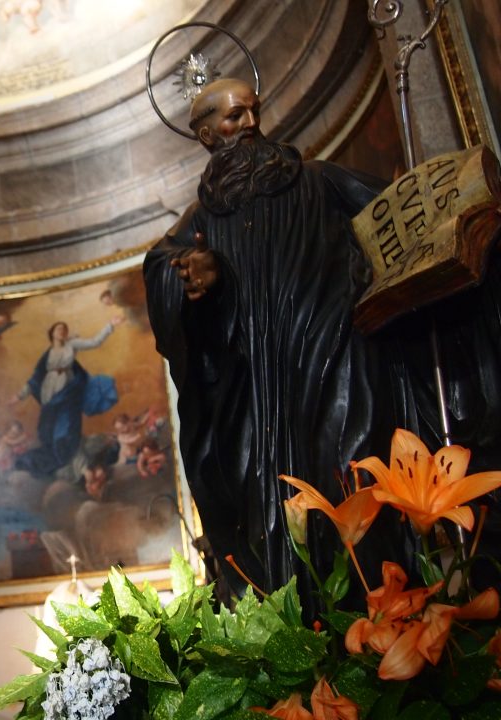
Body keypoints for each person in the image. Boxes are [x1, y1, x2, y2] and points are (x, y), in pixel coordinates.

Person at [144, 78, 501, 600]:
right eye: (234, 117)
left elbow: (400, 216)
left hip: (339, 358)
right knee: (271, 515)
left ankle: (383, 611)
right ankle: (310, 627)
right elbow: (165, 278)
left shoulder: (320, 179)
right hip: (259, 396)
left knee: (355, 478)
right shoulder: (198, 223)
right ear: (206, 135)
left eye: (254, 111)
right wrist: (198, 280)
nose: (251, 124)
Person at [10, 317, 123, 477]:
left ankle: (67, 457)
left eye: (64, 329)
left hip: (69, 392)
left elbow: (95, 342)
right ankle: (58, 458)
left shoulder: (72, 345)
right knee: (47, 429)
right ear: (52, 334)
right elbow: (35, 378)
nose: (62, 331)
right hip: (50, 394)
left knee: (67, 428)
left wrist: (110, 325)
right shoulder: (48, 354)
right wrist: (19, 396)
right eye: (59, 329)